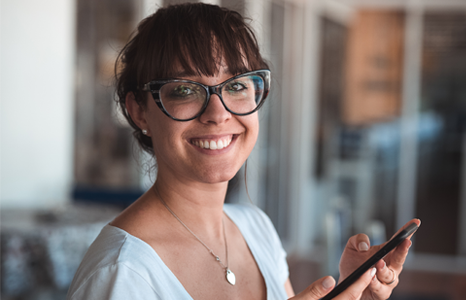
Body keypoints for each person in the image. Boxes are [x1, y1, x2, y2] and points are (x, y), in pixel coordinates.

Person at [66, 3, 420, 300]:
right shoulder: (122, 275)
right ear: (138, 110)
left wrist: (349, 292)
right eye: (185, 90)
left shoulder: (256, 229)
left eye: (236, 85)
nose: (218, 114)